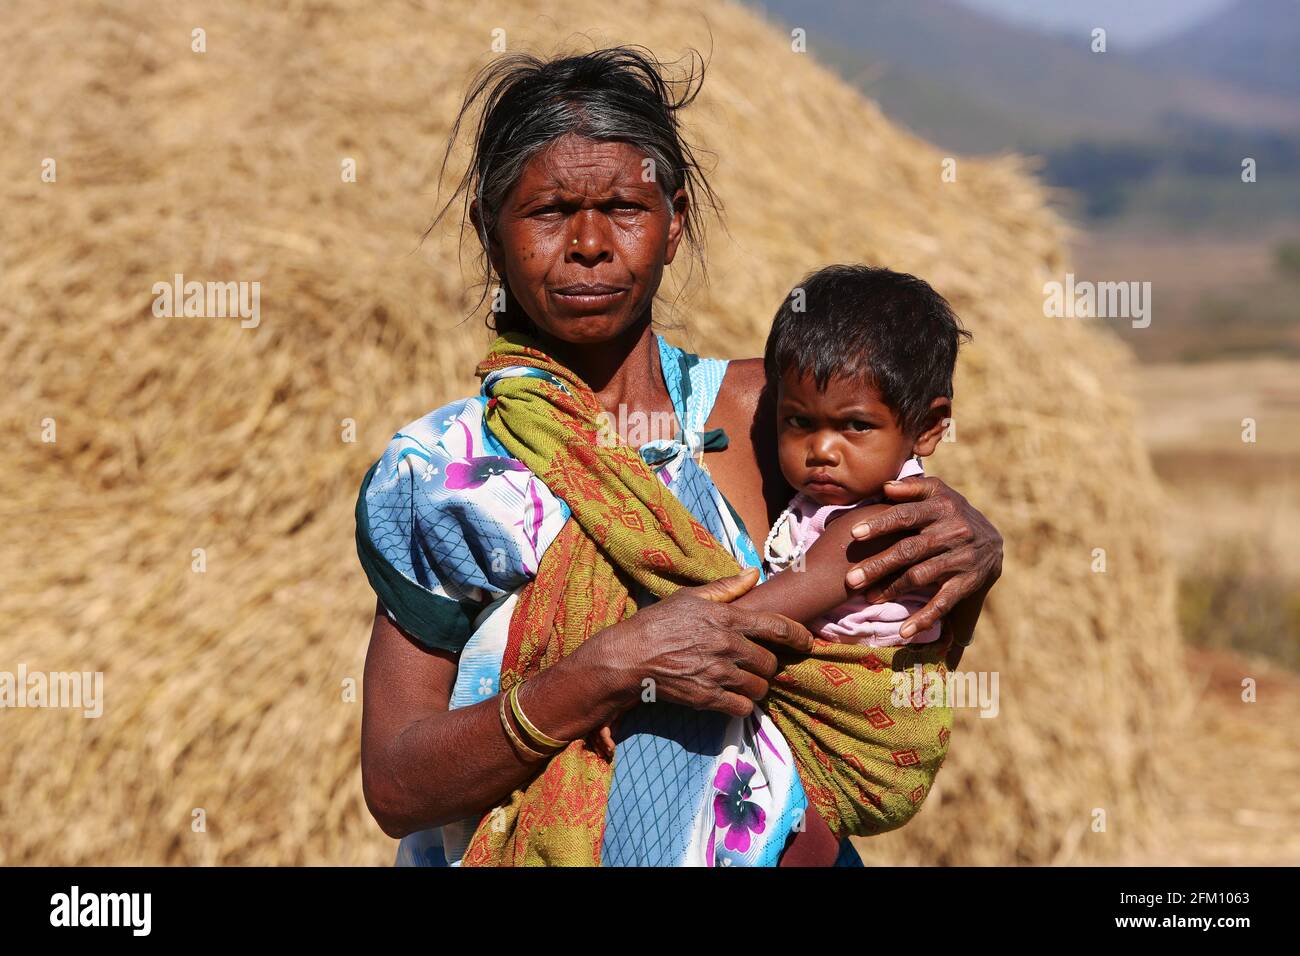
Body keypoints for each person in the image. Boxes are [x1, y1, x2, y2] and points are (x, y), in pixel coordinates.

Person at [356, 46, 1003, 867]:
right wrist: (606, 671)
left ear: (675, 224)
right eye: (549, 212)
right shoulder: (445, 472)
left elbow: (882, 608)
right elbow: (397, 786)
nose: (588, 243)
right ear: (491, 232)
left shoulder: (775, 415)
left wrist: (969, 541)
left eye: (625, 207)